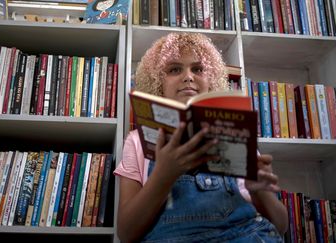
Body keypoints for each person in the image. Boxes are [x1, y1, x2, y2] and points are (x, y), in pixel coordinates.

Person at [114, 32, 288, 243]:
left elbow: (280, 226)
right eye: (174, 69)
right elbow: (126, 234)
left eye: (198, 69)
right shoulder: (137, 140)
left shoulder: (234, 133)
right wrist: (163, 175)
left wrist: (260, 192)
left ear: (211, 78)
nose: (188, 76)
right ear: (157, 81)